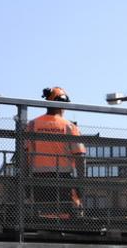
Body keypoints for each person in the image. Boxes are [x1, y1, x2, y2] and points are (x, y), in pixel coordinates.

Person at [26, 87, 86, 218]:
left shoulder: (32, 124)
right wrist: (81, 184)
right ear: (62, 104)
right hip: (63, 178)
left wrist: (24, 182)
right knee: (65, 213)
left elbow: (24, 154)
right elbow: (80, 155)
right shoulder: (69, 126)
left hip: (38, 178)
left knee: (44, 213)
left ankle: (45, 232)